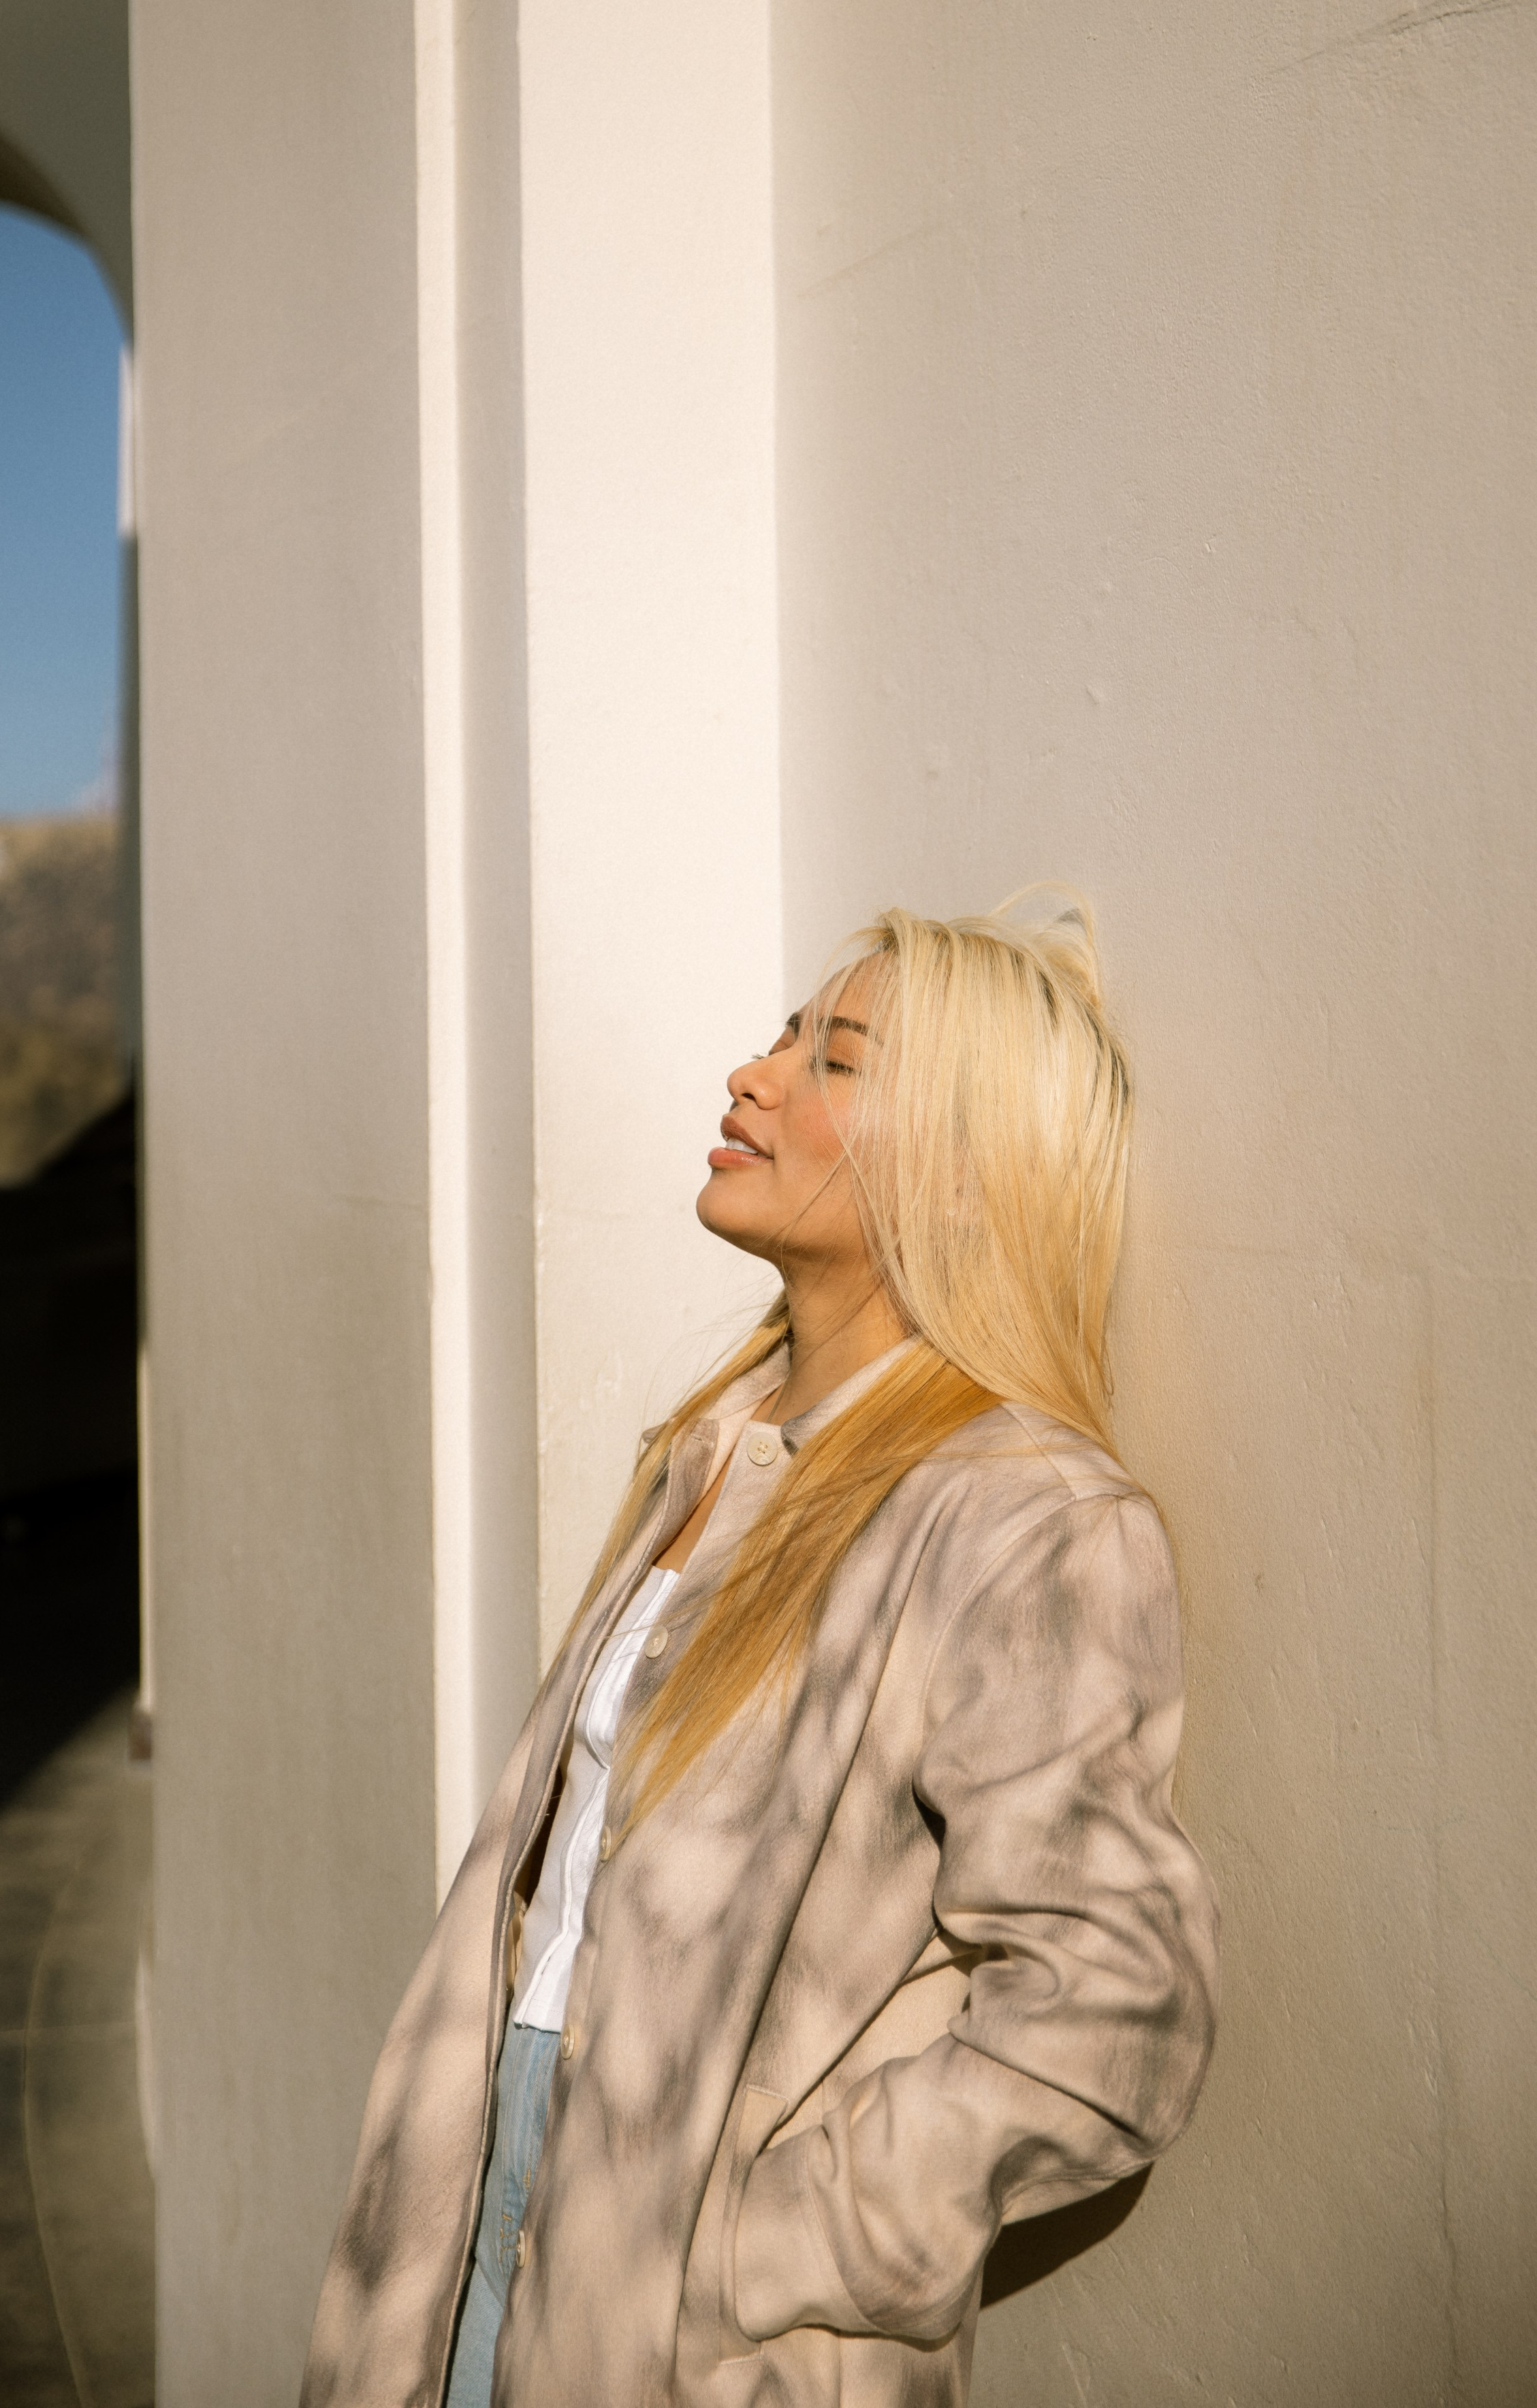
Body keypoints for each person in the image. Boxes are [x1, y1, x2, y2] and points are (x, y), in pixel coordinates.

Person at [302, 897, 1219, 2408]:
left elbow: (1116, 2010)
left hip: (693, 2325)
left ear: (968, 1167)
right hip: (489, 2207)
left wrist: (741, 2255)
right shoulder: (713, 1456)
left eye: (832, 1057)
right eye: (784, 1034)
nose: (751, 1073)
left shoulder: (1020, 1516)